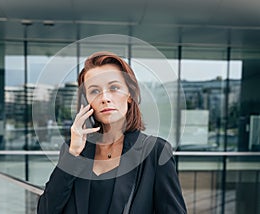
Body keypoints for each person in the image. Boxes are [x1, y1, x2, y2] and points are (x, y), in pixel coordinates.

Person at [37, 51, 187, 214]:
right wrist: (72, 154)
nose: (105, 98)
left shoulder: (155, 151)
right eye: (94, 91)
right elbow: (46, 210)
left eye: (114, 88)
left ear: (130, 94)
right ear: (87, 101)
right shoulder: (76, 151)